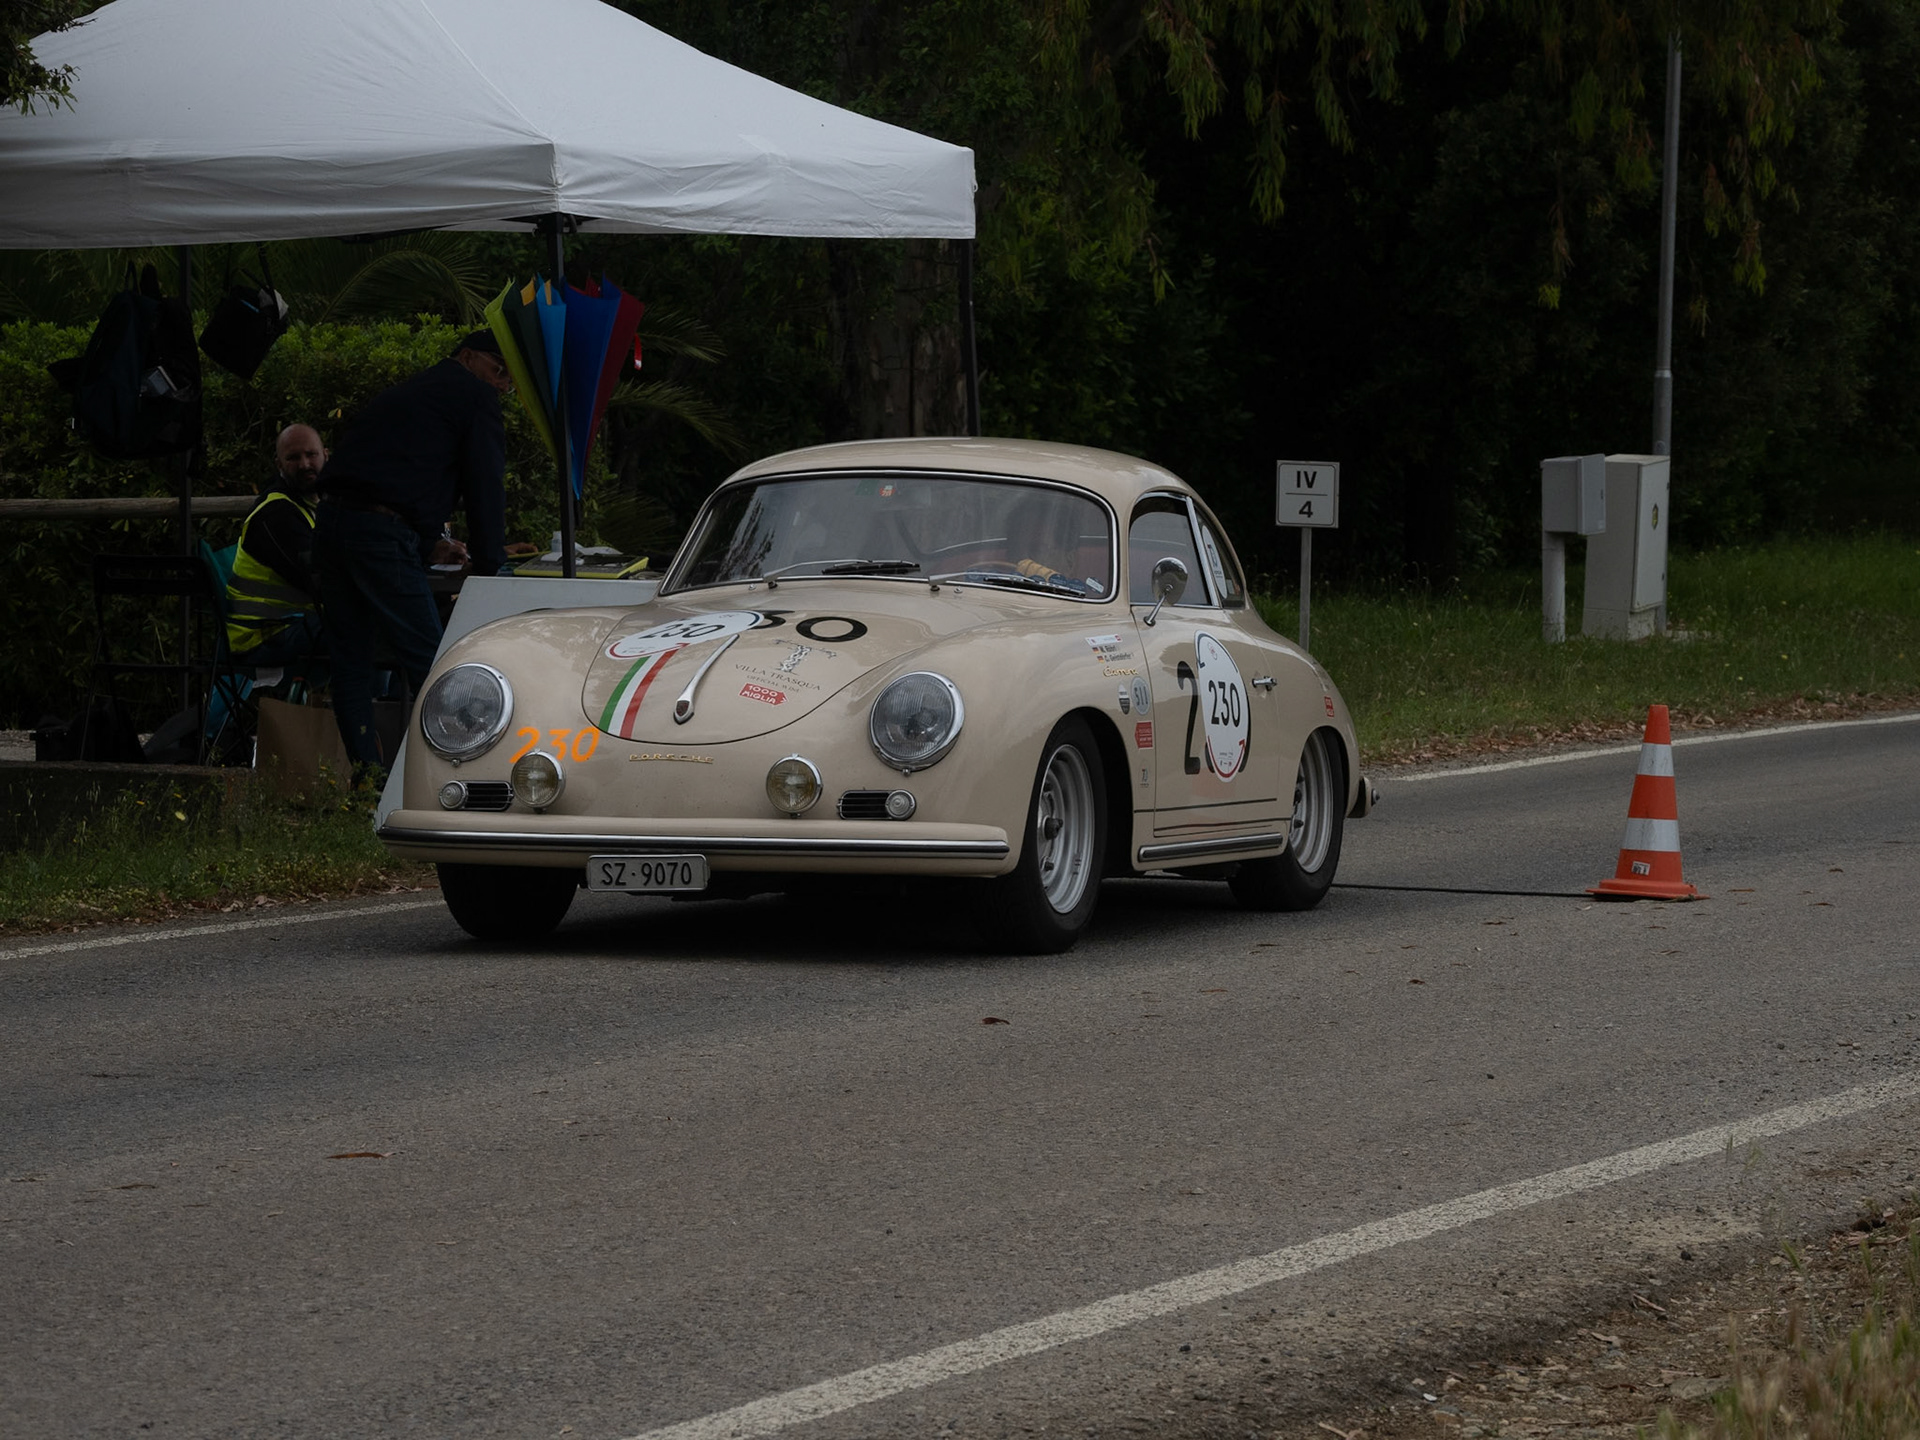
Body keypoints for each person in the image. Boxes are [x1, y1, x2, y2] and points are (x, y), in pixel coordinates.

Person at [313, 330, 512, 772]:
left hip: (333, 523)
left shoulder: (413, 390)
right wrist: (489, 566)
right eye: (499, 371)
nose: (502, 385)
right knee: (434, 661)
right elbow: (485, 487)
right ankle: (467, 772)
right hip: (380, 534)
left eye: (509, 381)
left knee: (351, 661)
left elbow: (392, 469)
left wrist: (425, 542)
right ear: (467, 357)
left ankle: (366, 778)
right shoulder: (475, 396)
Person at [225, 423, 329, 672]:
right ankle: (375, 697)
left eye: (311, 454)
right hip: (262, 636)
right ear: (279, 464)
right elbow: (322, 583)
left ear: (326, 455)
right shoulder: (277, 514)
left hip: (292, 623)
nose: (304, 464)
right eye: (293, 458)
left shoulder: (313, 504)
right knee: (370, 627)